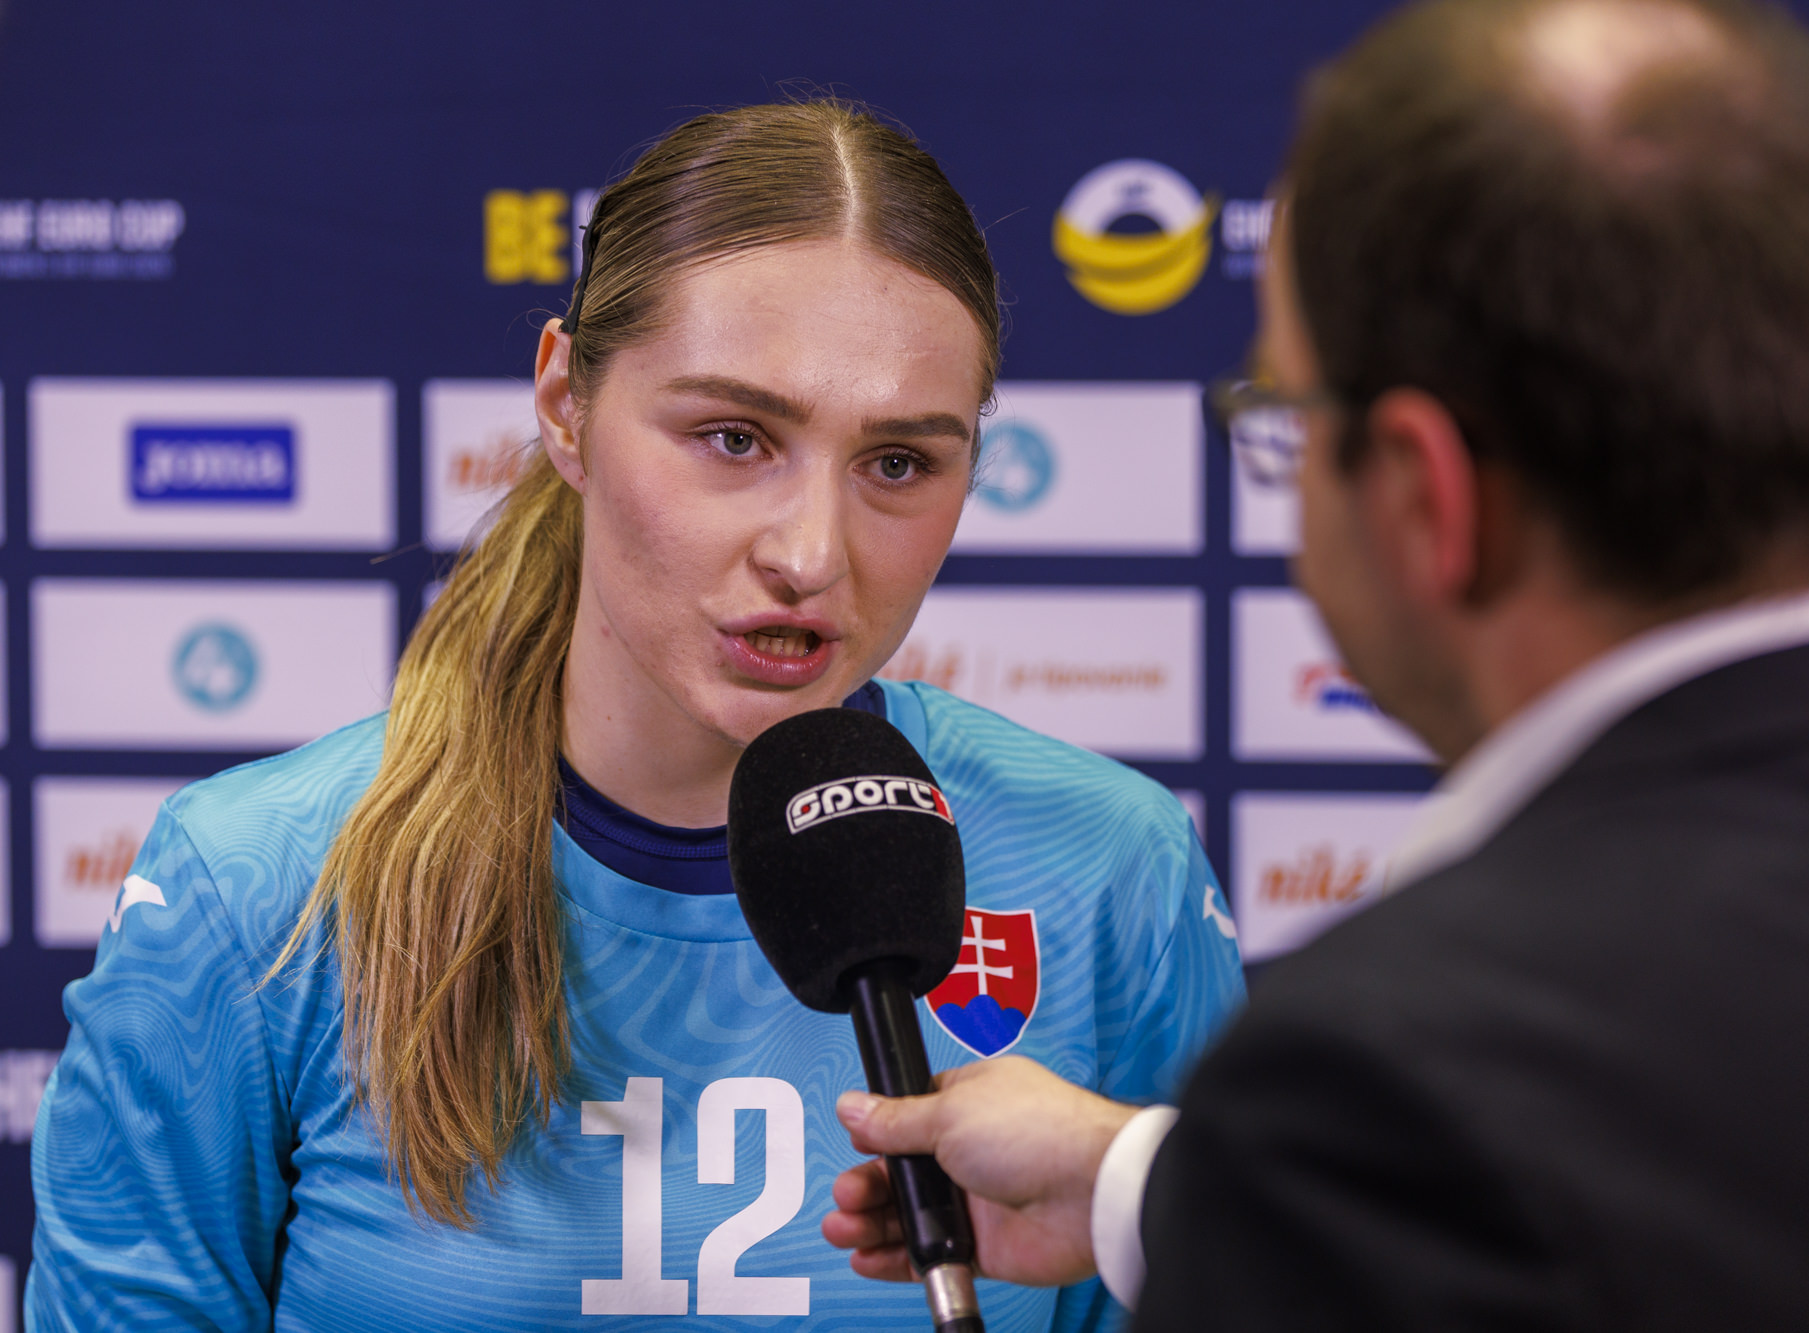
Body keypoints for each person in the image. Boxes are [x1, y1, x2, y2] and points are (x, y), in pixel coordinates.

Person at [825, 0, 1809, 1325]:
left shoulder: (1397, 1071)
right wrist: (1153, 1183)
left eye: (1283, 411)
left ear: (1421, 491)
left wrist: (1296, 1177)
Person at [26, 102, 1243, 1332]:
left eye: (897, 464)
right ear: (565, 403)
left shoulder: (1107, 867)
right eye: (733, 438)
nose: (810, 554)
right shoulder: (252, 887)